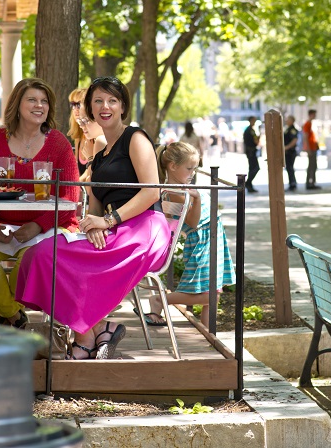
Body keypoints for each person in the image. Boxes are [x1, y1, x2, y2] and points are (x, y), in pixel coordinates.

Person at [16, 77, 172, 359]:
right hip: (116, 227)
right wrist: (92, 225)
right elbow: (97, 204)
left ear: (123, 106)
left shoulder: (135, 138)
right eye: (98, 101)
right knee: (40, 254)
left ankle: (87, 338)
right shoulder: (100, 152)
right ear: (89, 107)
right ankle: (97, 329)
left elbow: (151, 193)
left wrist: (109, 222)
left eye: (112, 100)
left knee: (60, 258)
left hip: (145, 227)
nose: (105, 106)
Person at [0, 78, 80, 328]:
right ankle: (15, 316)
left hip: (48, 228)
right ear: (17, 104)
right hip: (6, 227)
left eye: (44, 101)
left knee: (31, 259)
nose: (39, 106)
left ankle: (11, 315)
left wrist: (37, 226)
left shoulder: (58, 143)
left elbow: (70, 199)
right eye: (32, 100)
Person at [139, 142, 235, 328]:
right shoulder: (173, 192)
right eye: (189, 168)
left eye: (195, 168)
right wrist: (196, 198)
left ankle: (210, 335)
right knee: (210, 294)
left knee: (214, 292)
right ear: (173, 166)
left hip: (213, 236)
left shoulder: (182, 188)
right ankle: (160, 300)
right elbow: (192, 221)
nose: (193, 173)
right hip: (202, 239)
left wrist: (194, 195)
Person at [66, 87, 106, 180]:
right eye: (73, 105)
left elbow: (91, 179)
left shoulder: (97, 138)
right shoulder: (80, 136)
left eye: (79, 104)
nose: (76, 109)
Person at [301, 110, 321, 190]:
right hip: (311, 148)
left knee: (314, 165)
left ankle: (312, 182)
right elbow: (305, 137)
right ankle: (309, 183)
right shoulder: (307, 124)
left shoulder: (312, 124)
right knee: (311, 166)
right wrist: (308, 149)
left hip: (314, 147)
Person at [242, 116, 260, 193]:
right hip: (251, 151)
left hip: (250, 151)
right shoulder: (251, 130)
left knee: (253, 168)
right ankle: (248, 183)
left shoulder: (249, 129)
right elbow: (256, 141)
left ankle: (249, 184)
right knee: (255, 168)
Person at [284, 115, 299, 191]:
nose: (286, 121)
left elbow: (294, 140)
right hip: (288, 152)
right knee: (289, 168)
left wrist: (287, 147)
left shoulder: (292, 129)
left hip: (290, 152)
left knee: (290, 168)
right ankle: (292, 183)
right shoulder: (287, 129)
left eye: (288, 119)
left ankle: (293, 184)